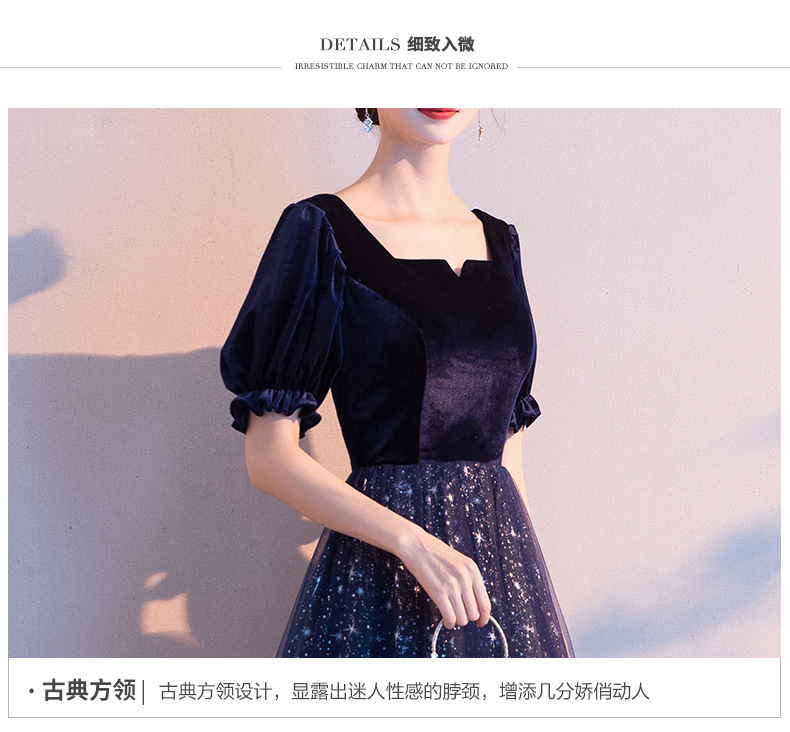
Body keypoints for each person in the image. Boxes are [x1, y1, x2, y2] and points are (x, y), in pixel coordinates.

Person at [220, 108, 574, 657]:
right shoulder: (320, 231)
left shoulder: (501, 242)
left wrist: (527, 600)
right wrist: (411, 542)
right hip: (381, 581)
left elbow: (509, 462)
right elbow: (268, 457)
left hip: (494, 583)